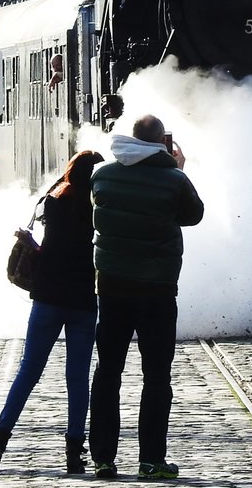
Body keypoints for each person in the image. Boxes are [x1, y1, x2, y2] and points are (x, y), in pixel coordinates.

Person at [89, 115, 204, 481]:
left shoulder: (102, 175)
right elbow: (193, 215)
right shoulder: (174, 179)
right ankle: (151, 460)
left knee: (108, 372)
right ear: (160, 142)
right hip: (156, 289)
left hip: (111, 286)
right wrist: (178, 167)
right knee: (157, 377)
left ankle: (104, 458)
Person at [0, 150, 104, 475]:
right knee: (77, 379)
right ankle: (74, 454)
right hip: (83, 301)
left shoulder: (53, 201)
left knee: (27, 372)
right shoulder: (99, 207)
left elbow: (52, 247)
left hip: (48, 297)